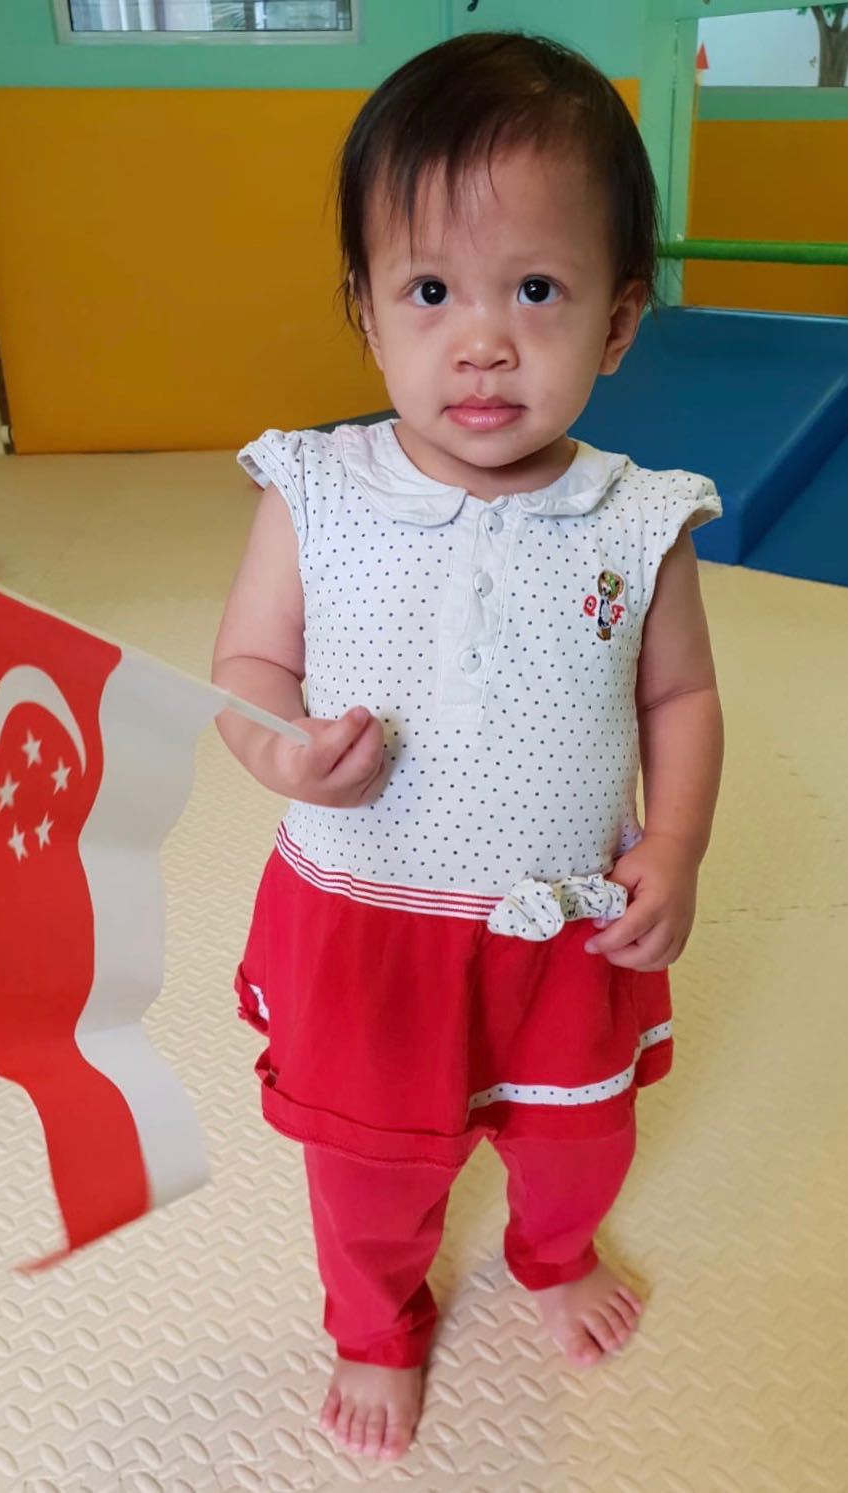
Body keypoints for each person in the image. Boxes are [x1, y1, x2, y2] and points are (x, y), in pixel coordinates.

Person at [212, 31, 723, 1464]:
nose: (481, 337)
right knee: (367, 1172)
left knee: (578, 1140)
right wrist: (282, 746)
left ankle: (552, 1256)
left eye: (537, 290)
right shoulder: (312, 485)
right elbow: (247, 666)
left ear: (619, 323)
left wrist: (673, 843)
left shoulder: (640, 516)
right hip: (367, 921)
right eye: (431, 289)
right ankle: (375, 1323)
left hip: (563, 925)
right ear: (367, 311)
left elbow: (678, 701)